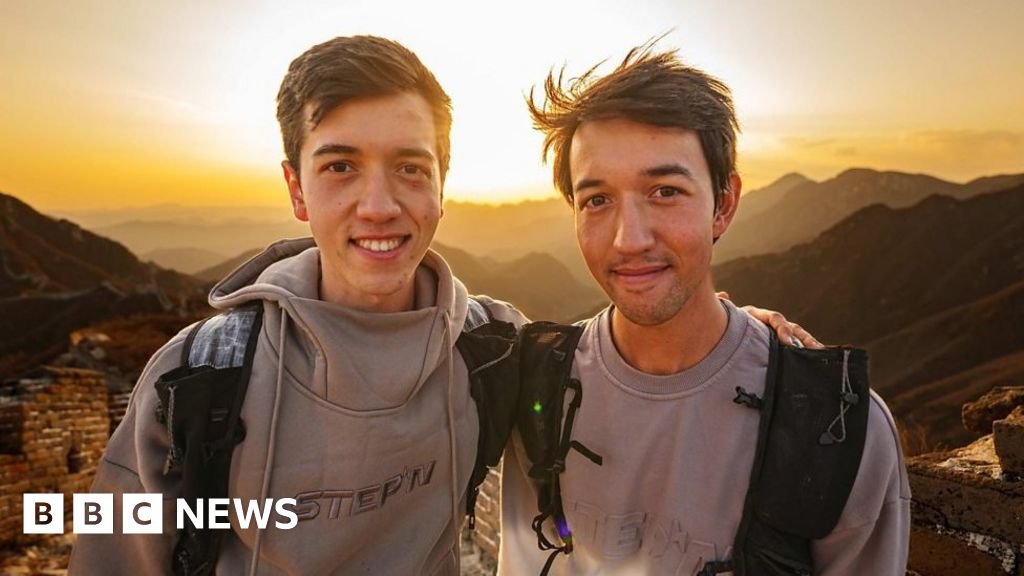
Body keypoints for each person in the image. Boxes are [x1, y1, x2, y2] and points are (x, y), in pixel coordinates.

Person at [69, 35, 813, 575]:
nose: (379, 205)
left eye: (410, 167)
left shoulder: (492, 350)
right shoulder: (200, 379)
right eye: (340, 167)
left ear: (442, 182)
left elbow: (637, 344)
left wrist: (745, 332)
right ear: (296, 189)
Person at [498, 43, 911, 575]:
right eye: (597, 200)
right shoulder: (534, 384)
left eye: (665, 191)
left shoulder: (836, 428)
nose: (628, 239)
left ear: (724, 204)